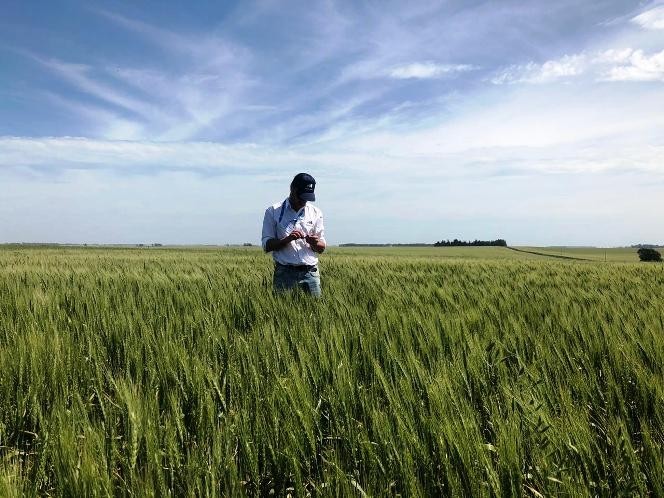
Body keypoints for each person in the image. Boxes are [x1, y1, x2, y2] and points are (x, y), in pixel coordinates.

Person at [261, 173, 326, 296]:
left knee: (316, 310)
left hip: (311, 273)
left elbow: (321, 248)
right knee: (282, 311)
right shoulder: (273, 211)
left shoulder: (316, 212)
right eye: (301, 197)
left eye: (307, 198)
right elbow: (266, 245)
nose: (304, 201)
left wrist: (315, 242)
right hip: (284, 273)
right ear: (293, 189)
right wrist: (286, 240)